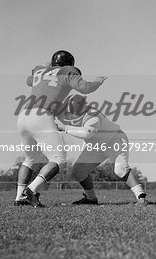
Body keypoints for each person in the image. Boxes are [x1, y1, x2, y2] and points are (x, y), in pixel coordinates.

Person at [15, 50, 107, 207]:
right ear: (70, 64)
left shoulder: (39, 70)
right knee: (58, 159)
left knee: (30, 158)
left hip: (23, 115)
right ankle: (31, 189)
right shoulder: (68, 72)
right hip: (41, 115)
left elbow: (29, 81)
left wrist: (47, 70)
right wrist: (98, 81)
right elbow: (85, 88)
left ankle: (19, 197)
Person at [55, 94, 147, 205]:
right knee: (78, 170)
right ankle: (91, 199)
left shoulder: (92, 115)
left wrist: (65, 128)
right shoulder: (66, 113)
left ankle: (141, 197)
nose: (69, 114)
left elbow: (87, 133)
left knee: (120, 169)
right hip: (96, 145)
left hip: (114, 140)